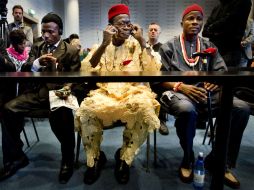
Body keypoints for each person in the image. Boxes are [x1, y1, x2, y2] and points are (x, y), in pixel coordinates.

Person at [158, 4, 250, 189]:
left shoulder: (209, 46)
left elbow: (221, 72)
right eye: (190, 19)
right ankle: (187, 159)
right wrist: (181, 87)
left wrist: (216, 81)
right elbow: (159, 78)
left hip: (208, 93)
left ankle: (219, 159)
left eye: (199, 19)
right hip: (178, 93)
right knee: (186, 109)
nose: (195, 22)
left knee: (241, 108)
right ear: (181, 22)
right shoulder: (168, 47)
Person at [75, 4, 161, 185]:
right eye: (122, 23)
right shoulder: (101, 45)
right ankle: (95, 159)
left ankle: (125, 158)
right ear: (111, 27)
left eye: (129, 23)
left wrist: (143, 42)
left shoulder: (137, 45)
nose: (127, 27)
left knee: (145, 108)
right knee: (88, 110)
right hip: (105, 92)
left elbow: (153, 71)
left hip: (133, 91)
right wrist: (104, 44)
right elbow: (86, 70)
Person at [0, 12, 81, 184]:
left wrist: (63, 80)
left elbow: (76, 78)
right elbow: (26, 68)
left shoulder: (71, 50)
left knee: (63, 114)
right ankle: (16, 157)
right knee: (8, 109)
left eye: (51, 31)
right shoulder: (37, 46)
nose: (46, 35)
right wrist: (36, 63)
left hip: (61, 92)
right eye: (44, 31)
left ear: (60, 31)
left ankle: (67, 160)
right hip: (37, 92)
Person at [202, 0, 252, 67]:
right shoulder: (217, 8)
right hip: (214, 52)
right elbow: (204, 32)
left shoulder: (242, 2)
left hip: (229, 53)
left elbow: (229, 23)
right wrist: (218, 31)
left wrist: (212, 29)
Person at [147, 22, 169, 135]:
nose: (153, 31)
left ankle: (161, 120)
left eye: (155, 30)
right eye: (151, 29)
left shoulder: (164, 48)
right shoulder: (142, 46)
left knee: (161, 88)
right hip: (144, 79)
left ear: (159, 33)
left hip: (158, 79)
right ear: (147, 32)